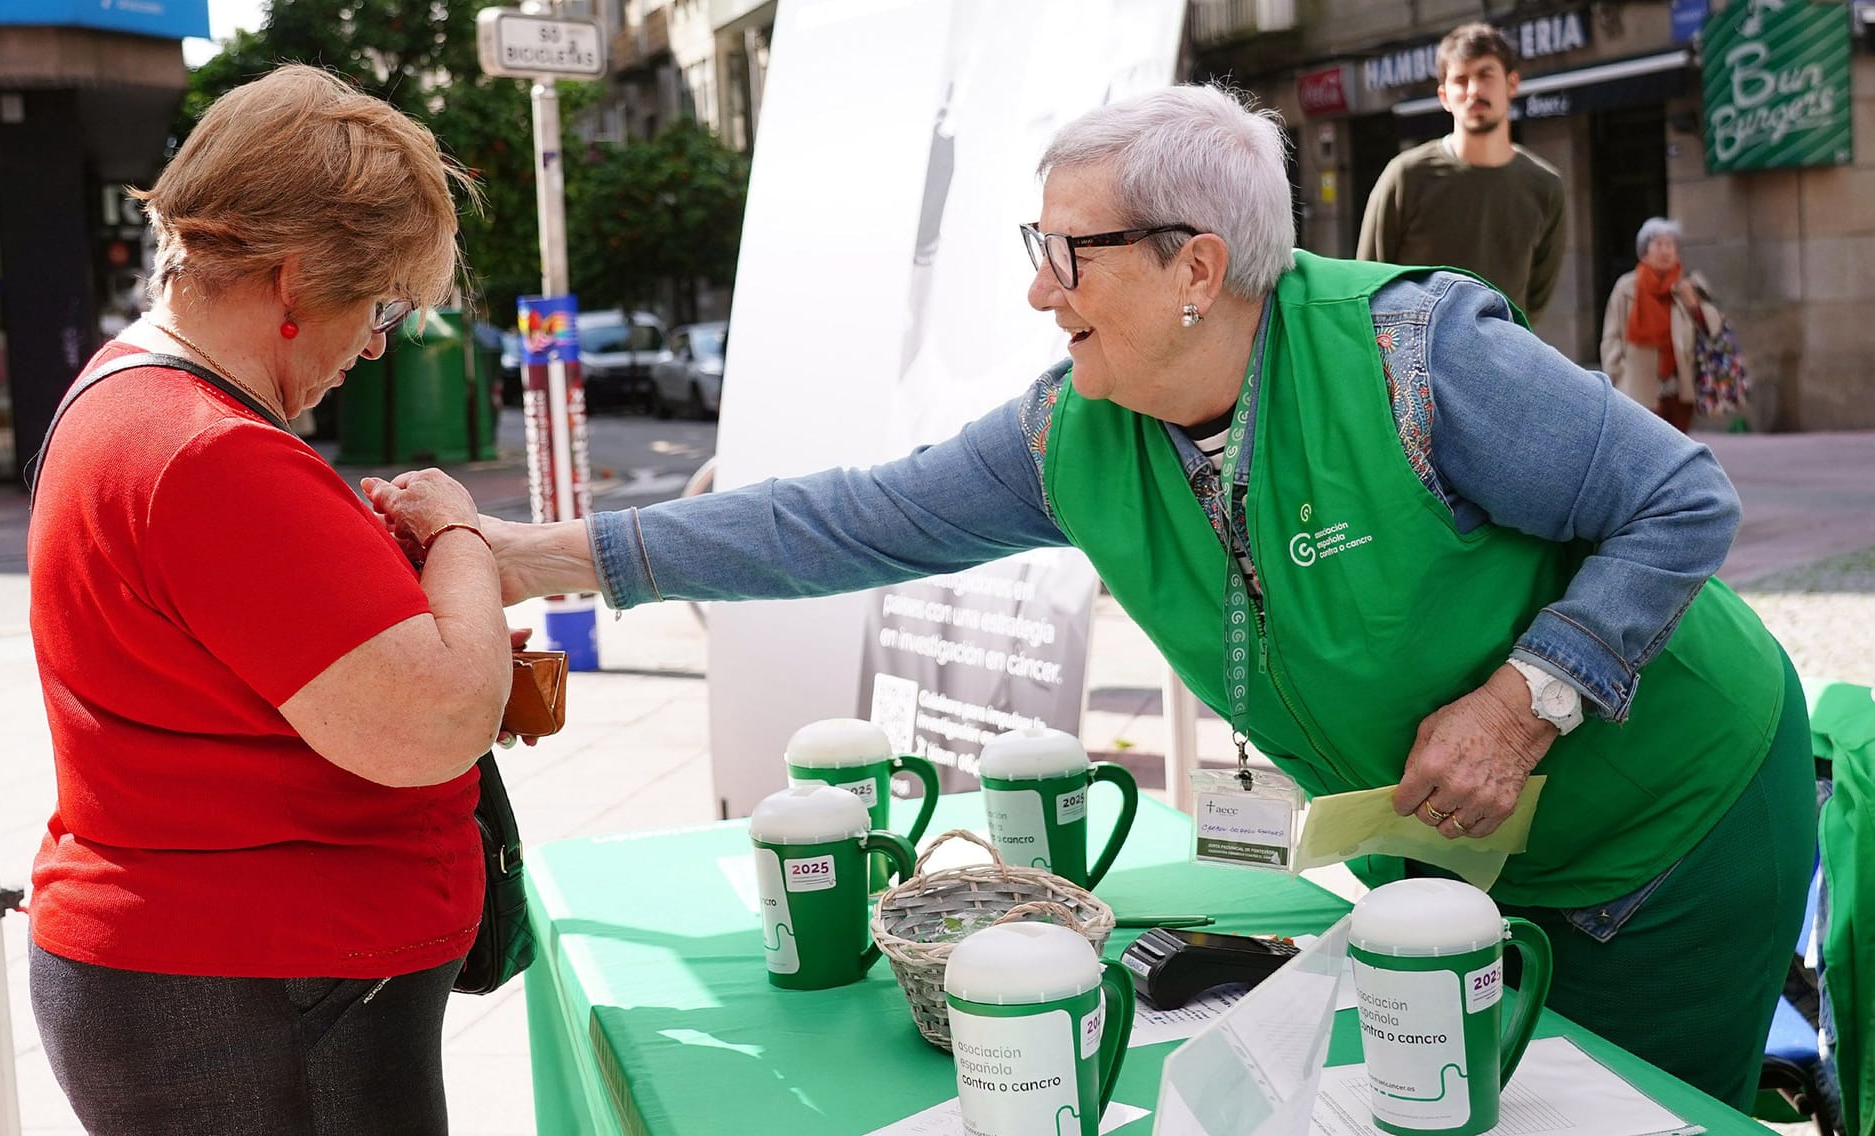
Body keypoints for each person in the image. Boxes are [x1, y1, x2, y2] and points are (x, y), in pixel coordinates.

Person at [386, 83, 1812, 1110]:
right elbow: (847, 522)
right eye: (1036, 251)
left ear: (1198, 266)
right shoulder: (1074, 433)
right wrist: (522, 556)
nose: (1038, 294)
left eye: (1068, 257)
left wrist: (1524, 700)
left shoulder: (1418, 358)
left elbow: (1682, 501)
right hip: (1449, 872)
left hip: (1670, 839)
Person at [25, 65, 512, 1135]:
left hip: (220, 980)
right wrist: (460, 536)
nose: (377, 343)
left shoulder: (135, 397)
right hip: (250, 989)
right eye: (379, 302)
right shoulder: (209, 452)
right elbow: (436, 718)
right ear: (296, 282)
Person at [1356, 23, 1566, 326]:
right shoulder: (1406, 176)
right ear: (1444, 96)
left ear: (1512, 84)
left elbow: (1535, 302)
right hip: (1415, 367)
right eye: (1461, 79)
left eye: (1485, 75)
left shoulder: (1545, 187)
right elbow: (1368, 284)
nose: (1473, 91)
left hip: (1504, 365)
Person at [1600, 217, 1726, 434]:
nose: (1665, 250)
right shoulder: (1626, 287)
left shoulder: (1689, 285)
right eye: (1659, 244)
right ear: (1644, 251)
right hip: (1638, 385)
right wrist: (1617, 374)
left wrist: (1693, 304)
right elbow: (1611, 336)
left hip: (1680, 385)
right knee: (1645, 444)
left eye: (1670, 244)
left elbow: (1714, 328)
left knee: (1678, 444)